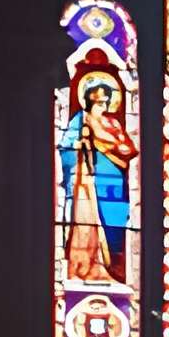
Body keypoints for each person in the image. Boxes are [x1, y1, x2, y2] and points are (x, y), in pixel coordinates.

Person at [59, 51, 136, 284]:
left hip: (114, 178)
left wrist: (109, 145)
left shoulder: (113, 122)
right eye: (98, 100)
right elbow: (66, 147)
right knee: (90, 220)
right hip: (89, 180)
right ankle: (89, 266)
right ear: (89, 100)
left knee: (116, 221)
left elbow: (127, 147)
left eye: (105, 100)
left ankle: (115, 266)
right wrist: (80, 142)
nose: (102, 105)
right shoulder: (80, 120)